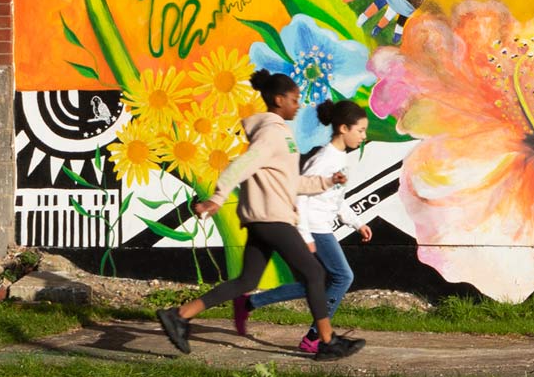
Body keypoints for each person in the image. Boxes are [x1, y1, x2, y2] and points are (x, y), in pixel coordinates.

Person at [155, 72, 364, 360]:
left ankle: (179, 315)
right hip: (272, 218)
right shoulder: (271, 132)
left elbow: (291, 182)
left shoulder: (280, 133)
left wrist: (328, 182)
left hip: (265, 218)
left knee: (246, 281)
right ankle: (327, 341)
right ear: (279, 100)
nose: (298, 105)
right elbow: (243, 164)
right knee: (315, 274)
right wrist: (217, 198)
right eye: (294, 100)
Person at [231, 99, 372, 352]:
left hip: (322, 227)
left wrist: (356, 222)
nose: (364, 136)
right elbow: (300, 195)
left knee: (315, 282)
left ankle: (251, 303)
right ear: (343, 128)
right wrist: (305, 235)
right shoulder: (324, 159)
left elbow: (335, 197)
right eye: (360, 130)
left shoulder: (339, 158)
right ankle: (316, 337)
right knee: (343, 277)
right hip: (315, 228)